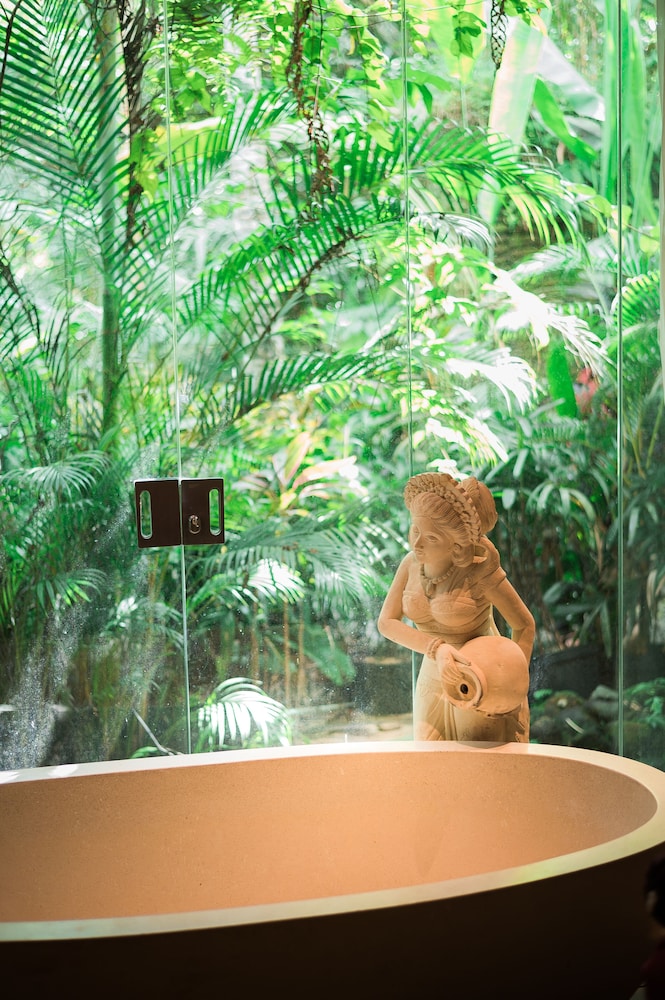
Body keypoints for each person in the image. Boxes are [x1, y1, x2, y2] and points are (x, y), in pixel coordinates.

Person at [377, 472, 535, 742]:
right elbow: (386, 623)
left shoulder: (479, 571)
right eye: (415, 530)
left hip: (481, 677)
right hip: (434, 671)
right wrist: (436, 650)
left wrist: (510, 681)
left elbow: (524, 625)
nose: (417, 543)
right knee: (429, 759)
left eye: (432, 538)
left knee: (481, 768)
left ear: (458, 547)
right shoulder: (410, 564)